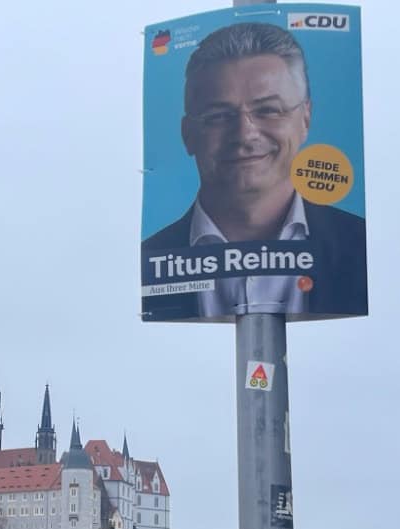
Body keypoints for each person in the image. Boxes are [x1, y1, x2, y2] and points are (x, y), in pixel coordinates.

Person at [142, 22, 366, 321]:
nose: (245, 134)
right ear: (188, 134)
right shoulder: (151, 260)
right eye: (218, 116)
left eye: (268, 110)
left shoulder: (360, 248)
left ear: (306, 118)